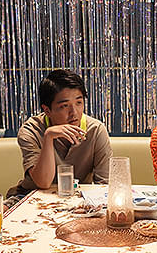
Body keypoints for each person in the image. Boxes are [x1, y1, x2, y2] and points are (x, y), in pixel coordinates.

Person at [7, 69, 112, 197]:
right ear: (47, 110)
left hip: (77, 196)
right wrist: (48, 137)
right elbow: (43, 182)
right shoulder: (31, 130)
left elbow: (104, 185)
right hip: (30, 194)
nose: (74, 112)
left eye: (79, 103)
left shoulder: (96, 130)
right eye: (64, 106)